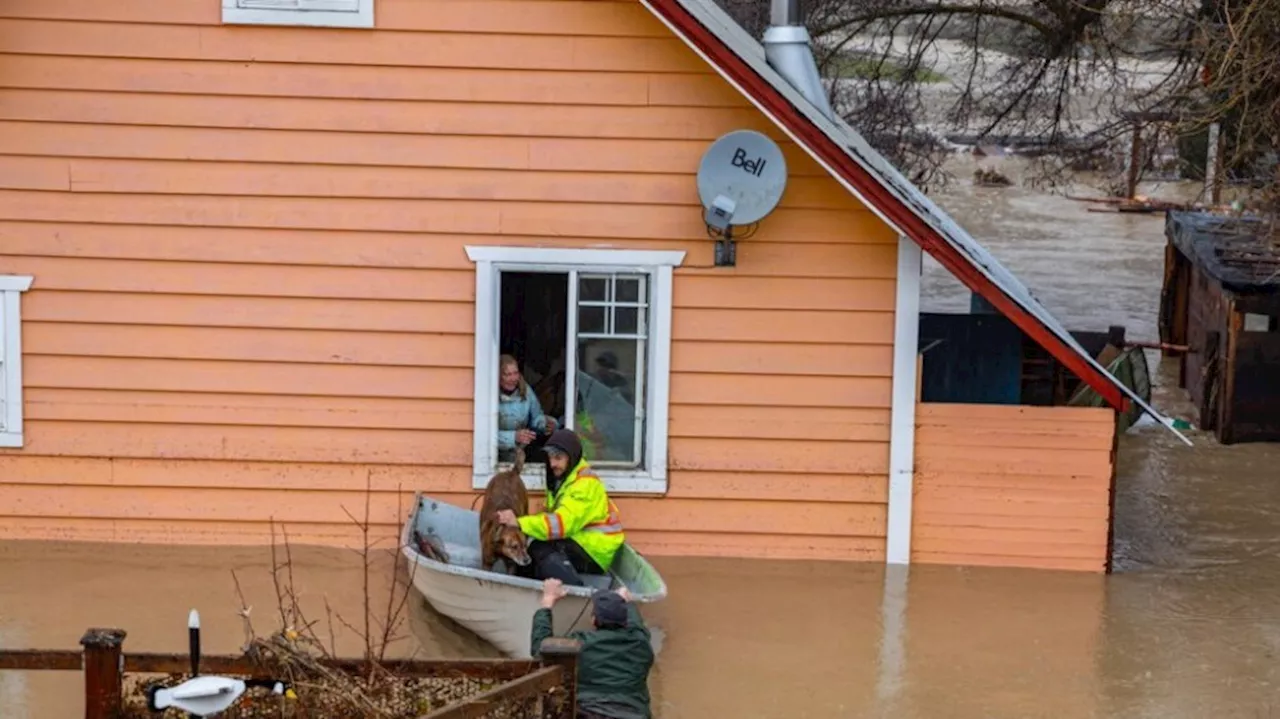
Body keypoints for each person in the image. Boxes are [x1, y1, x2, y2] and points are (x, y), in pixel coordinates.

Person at [495, 429, 624, 586]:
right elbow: (551, 519)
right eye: (550, 457)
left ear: (572, 457)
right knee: (531, 550)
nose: (552, 463)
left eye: (558, 458)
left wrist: (520, 523)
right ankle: (526, 592)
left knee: (541, 549)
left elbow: (562, 524)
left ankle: (576, 593)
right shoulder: (562, 480)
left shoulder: (585, 484)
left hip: (594, 550)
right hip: (579, 541)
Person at [532, 578, 654, 719]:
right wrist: (628, 603)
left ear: (593, 620)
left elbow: (540, 649)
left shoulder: (579, 644)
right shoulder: (641, 643)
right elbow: (636, 626)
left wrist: (547, 601)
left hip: (589, 713)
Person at [497, 354, 557, 464]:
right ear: (498, 376)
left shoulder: (525, 390)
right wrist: (513, 437)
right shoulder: (488, 394)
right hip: (494, 457)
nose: (513, 378)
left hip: (520, 453)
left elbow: (536, 417)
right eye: (508, 374)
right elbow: (484, 435)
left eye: (516, 373)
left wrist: (545, 424)